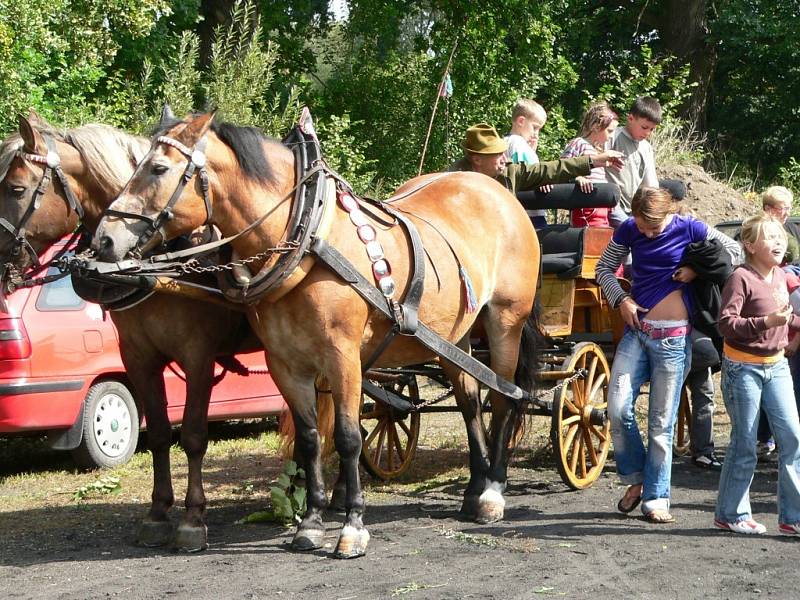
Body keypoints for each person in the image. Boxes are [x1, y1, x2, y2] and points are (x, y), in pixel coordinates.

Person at [596, 186, 740, 523]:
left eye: (652, 228)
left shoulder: (691, 227)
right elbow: (604, 269)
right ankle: (637, 478)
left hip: (675, 340)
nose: (645, 233)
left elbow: (734, 252)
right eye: (641, 227)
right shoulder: (629, 229)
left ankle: (657, 497)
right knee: (617, 409)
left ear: (668, 214)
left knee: (661, 423)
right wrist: (622, 299)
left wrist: (696, 269)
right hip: (638, 333)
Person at [714, 213, 800, 535]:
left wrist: (791, 323)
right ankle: (731, 513)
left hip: (776, 366)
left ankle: (792, 517)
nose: (778, 243)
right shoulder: (740, 278)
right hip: (743, 368)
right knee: (745, 443)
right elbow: (726, 324)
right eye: (770, 237)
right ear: (749, 245)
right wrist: (767, 323)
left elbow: (785, 317)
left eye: (780, 237)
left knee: (792, 437)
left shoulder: (779, 275)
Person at [446, 123, 624, 196]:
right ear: (477, 160)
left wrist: (593, 161)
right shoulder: (451, 184)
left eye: (504, 152)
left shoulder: (509, 172)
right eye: (497, 155)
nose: (504, 158)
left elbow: (550, 169)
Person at [560, 102, 619, 227]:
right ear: (596, 127)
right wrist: (578, 178)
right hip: (586, 210)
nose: (611, 136)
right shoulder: (578, 143)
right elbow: (561, 168)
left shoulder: (598, 150)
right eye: (609, 131)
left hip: (602, 210)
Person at [504, 99, 549, 228]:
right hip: (530, 214)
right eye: (535, 127)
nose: (536, 133)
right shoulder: (517, 142)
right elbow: (526, 172)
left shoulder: (506, 141)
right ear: (521, 121)